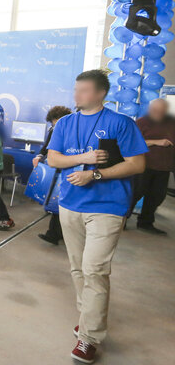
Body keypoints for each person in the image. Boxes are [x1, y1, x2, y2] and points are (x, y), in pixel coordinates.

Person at [46, 69, 147, 364]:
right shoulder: (65, 122)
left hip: (107, 207)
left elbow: (137, 164)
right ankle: (88, 319)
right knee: (78, 268)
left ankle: (89, 337)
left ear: (101, 93)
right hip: (70, 205)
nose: (77, 95)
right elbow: (54, 159)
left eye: (84, 90)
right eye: (76, 89)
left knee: (95, 270)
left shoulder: (121, 123)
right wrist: (84, 159)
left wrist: (96, 173)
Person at [129, 98, 174, 235]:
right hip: (144, 165)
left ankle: (146, 222)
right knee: (135, 193)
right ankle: (122, 219)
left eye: (161, 110)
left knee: (156, 196)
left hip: (164, 167)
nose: (158, 113)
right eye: (155, 110)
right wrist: (156, 142)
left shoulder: (172, 123)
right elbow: (133, 143)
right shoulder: (142, 123)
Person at [34, 105, 73, 245]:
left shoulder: (68, 129)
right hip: (61, 169)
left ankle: (54, 234)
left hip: (65, 170)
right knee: (59, 203)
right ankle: (57, 234)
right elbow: (46, 147)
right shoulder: (58, 129)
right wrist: (39, 155)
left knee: (59, 203)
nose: (54, 125)